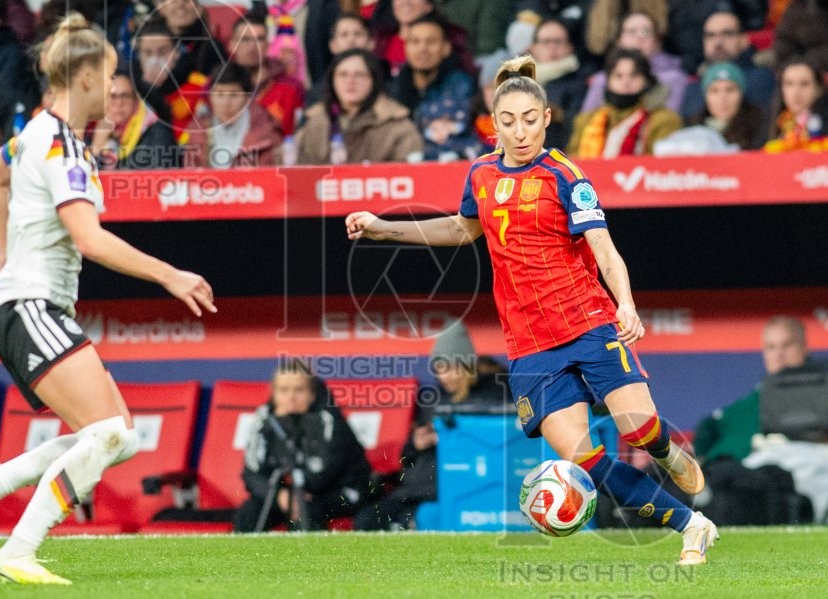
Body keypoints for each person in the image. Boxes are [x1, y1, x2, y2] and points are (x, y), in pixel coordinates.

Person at [346, 54, 718, 565]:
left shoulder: (566, 175)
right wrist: (382, 227)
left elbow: (604, 249)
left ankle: (663, 449)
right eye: (508, 121)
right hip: (531, 345)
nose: (519, 132)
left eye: (528, 120)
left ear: (545, 119)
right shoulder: (480, 174)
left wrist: (626, 304)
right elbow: (460, 229)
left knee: (638, 429)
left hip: (589, 322)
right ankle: (692, 525)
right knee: (587, 461)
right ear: (493, 125)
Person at [0, 14, 216, 585]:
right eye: (111, 74)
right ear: (87, 76)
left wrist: (3, 250)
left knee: (119, 435)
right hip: (30, 306)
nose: (115, 87)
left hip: (27, 306)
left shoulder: (33, 131)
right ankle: (18, 551)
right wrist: (169, 274)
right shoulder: (62, 146)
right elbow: (89, 239)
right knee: (109, 432)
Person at [354, 321, 510, 531]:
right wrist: (416, 444)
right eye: (439, 369)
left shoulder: (494, 393)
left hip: (457, 485)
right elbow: (407, 456)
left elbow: (497, 444)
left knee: (424, 516)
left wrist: (451, 438)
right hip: (416, 489)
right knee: (367, 519)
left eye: (450, 368)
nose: (444, 376)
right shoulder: (434, 400)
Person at [693, 316, 822, 525]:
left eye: (787, 345)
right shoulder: (752, 401)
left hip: (811, 462)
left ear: (804, 347)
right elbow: (708, 432)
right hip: (758, 468)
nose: (779, 354)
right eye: (771, 347)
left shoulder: (821, 386)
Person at [233, 361, 372, 532]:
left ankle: (309, 551)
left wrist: (286, 424)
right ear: (273, 393)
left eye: (299, 390)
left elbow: (320, 473)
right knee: (249, 513)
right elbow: (251, 473)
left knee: (305, 510)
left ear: (312, 394)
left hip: (337, 492)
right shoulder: (265, 420)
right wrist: (280, 496)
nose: (291, 397)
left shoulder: (329, 419)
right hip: (288, 495)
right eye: (283, 390)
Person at [294, 48, 423, 165]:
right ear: (332, 81)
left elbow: (411, 172)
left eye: (359, 75)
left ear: (374, 80)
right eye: (343, 75)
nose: (350, 81)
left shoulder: (398, 127)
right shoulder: (316, 123)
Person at [388, 13, 477, 160]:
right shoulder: (393, 88)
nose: (422, 48)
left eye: (431, 42)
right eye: (415, 42)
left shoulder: (462, 86)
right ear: (406, 48)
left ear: (446, 48)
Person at [567, 48, 682, 158]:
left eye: (634, 75)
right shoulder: (586, 120)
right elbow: (572, 163)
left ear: (646, 80)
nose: (626, 82)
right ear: (608, 81)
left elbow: (663, 164)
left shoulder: (663, 119)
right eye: (618, 76)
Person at [580, 11, 688, 114]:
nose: (639, 37)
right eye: (632, 31)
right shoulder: (602, 79)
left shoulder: (673, 78)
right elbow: (586, 119)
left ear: (657, 41)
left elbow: (671, 119)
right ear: (618, 41)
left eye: (647, 32)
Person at [679, 9, 776, 123]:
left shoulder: (761, 79)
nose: (718, 42)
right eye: (710, 35)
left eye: (727, 33)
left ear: (743, 39)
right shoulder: (694, 86)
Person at [184, 63, 284, 169]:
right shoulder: (197, 132)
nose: (226, 102)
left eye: (234, 94)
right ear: (210, 96)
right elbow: (190, 173)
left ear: (247, 97)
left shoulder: (266, 131)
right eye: (219, 94)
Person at [653, 62, 765, 156]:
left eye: (730, 90)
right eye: (714, 91)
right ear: (706, 96)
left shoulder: (758, 128)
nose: (723, 98)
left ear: (741, 94)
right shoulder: (694, 128)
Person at [227, 13, 305, 136]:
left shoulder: (292, 88)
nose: (252, 47)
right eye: (245, 39)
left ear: (268, 45)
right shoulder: (216, 86)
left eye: (259, 39)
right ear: (231, 45)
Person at [88, 70, 181, 170]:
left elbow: (153, 175)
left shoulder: (159, 135)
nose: (119, 103)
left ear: (136, 101)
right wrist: (96, 146)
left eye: (125, 96)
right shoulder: (90, 134)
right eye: (112, 96)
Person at [304, 12, 378, 107]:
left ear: (371, 43)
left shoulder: (388, 87)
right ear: (333, 45)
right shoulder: (318, 94)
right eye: (344, 34)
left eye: (358, 34)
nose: (351, 40)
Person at [763, 59, 827, 152]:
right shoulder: (770, 121)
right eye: (789, 84)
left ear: (819, 89)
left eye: (804, 84)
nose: (796, 92)